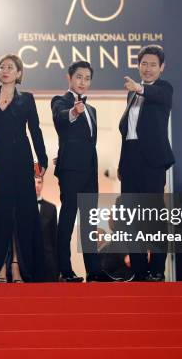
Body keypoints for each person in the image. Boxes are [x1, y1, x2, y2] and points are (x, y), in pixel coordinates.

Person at [0, 54, 48, 283]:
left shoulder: (27, 98)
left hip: (22, 157)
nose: (5, 70)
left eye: (10, 67)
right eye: (1, 67)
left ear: (18, 74)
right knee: (1, 211)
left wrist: (42, 159)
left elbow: (35, 129)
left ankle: (17, 266)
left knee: (23, 212)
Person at [52, 60, 122, 282]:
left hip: (90, 172)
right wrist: (73, 111)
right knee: (68, 218)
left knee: (90, 222)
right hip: (71, 171)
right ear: (69, 78)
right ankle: (65, 270)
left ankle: (94, 271)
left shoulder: (92, 109)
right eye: (79, 77)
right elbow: (60, 120)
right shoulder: (60, 101)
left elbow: (87, 143)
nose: (83, 82)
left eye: (87, 78)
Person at [117, 45, 174, 282]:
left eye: (153, 64)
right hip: (130, 158)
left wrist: (140, 88)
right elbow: (128, 131)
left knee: (153, 216)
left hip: (151, 161)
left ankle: (157, 268)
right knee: (131, 217)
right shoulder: (132, 94)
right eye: (143, 64)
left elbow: (157, 96)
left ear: (161, 67)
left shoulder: (164, 88)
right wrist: (122, 163)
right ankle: (139, 270)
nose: (147, 68)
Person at [35, 175, 59, 282]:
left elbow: (54, 236)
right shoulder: (20, 207)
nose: (36, 185)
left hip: (48, 259)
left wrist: (57, 264)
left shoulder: (51, 208)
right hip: (27, 259)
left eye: (39, 182)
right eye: (33, 182)